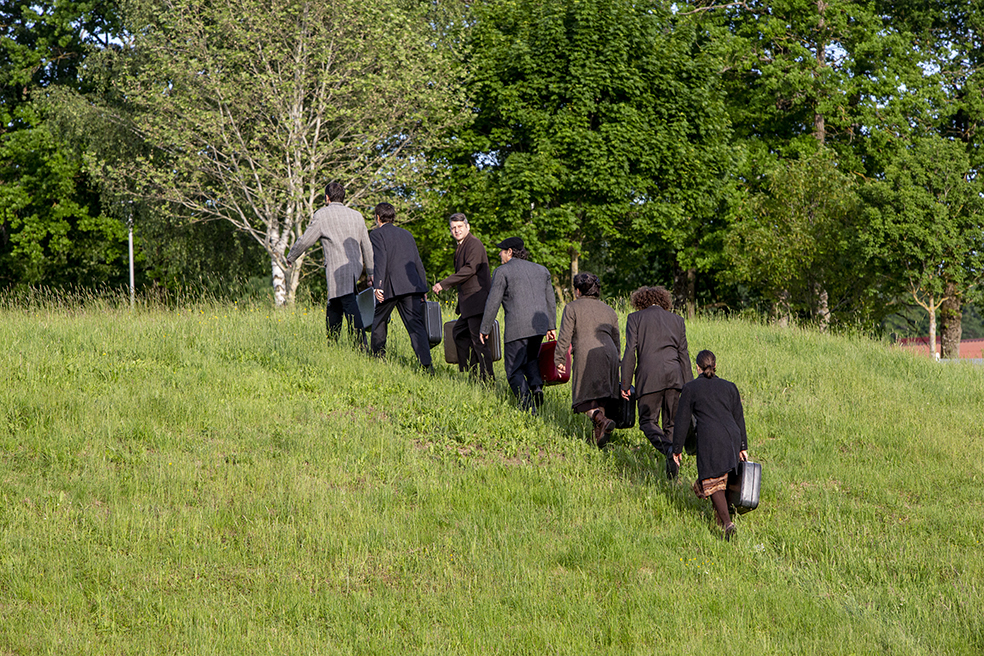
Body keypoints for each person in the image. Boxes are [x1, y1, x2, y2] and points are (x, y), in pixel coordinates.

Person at [672, 350, 748, 541]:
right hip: (732, 435)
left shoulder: (690, 388)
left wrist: (676, 449)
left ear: (697, 367)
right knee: (723, 478)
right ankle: (723, 520)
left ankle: (727, 524)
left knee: (712, 482)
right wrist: (742, 445)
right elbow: (739, 417)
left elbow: (681, 421)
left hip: (711, 438)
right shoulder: (730, 387)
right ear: (715, 366)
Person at [285, 181, 373, 346]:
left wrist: (291, 256)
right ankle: (332, 345)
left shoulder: (322, 214)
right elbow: (367, 246)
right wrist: (371, 272)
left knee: (348, 302)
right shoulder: (357, 215)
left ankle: (361, 347)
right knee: (334, 303)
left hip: (337, 268)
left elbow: (306, 240)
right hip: (355, 267)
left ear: (327, 197)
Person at [620, 285, 693, 479]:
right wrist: (690, 387)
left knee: (647, 421)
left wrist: (625, 383)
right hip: (675, 377)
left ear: (640, 302)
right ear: (664, 301)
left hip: (648, 378)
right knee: (671, 425)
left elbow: (630, 352)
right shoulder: (677, 320)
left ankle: (669, 450)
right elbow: (683, 356)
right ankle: (672, 475)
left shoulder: (635, 318)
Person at [480, 237, 556, 412]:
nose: (499, 254)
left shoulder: (502, 271)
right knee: (531, 359)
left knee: (514, 369)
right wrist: (551, 326)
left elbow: (493, 302)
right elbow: (550, 300)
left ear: (510, 252)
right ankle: (536, 386)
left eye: (501, 250)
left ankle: (528, 407)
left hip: (517, 327)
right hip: (539, 326)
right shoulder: (542, 270)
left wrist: (485, 328)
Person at [554, 272, 621, 448]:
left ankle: (602, 421)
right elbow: (617, 339)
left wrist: (559, 359)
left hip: (587, 353)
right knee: (601, 397)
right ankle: (599, 439)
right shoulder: (610, 310)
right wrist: (618, 360)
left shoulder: (572, 307)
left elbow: (564, 336)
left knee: (583, 399)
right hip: (610, 353)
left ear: (577, 291)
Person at [368, 202, 434, 372]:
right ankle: (427, 365)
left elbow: (380, 259)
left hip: (390, 287)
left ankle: (377, 358)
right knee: (416, 326)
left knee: (379, 321)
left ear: (378, 217)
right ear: (393, 217)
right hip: (412, 286)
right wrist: (423, 287)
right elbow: (417, 261)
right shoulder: (407, 234)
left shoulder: (376, 234)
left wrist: (378, 286)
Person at [431, 213, 493, 381]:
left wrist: (443, 283)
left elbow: (469, 269)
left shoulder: (474, 244)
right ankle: (471, 372)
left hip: (476, 301)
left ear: (468, 227)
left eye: (460, 227)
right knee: (459, 332)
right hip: (468, 303)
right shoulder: (461, 246)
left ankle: (488, 379)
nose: (456, 230)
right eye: (453, 228)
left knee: (479, 341)